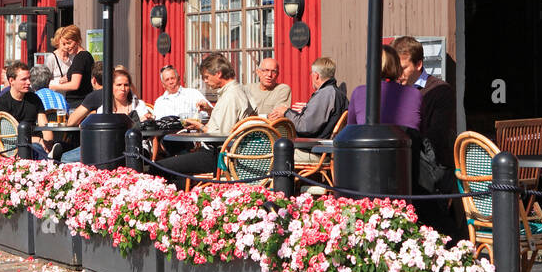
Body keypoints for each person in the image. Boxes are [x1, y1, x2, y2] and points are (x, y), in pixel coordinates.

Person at [157, 53, 256, 187]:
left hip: (218, 156)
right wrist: (210, 111)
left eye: (207, 77)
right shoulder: (240, 90)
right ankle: (185, 197)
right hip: (232, 153)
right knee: (176, 165)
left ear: (219, 74)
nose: (205, 81)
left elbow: (221, 135)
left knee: (158, 167)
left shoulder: (230, 96)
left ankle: (175, 201)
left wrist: (199, 126)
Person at [392, 36, 457, 168]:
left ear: (418, 64)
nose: (398, 73)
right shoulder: (394, 90)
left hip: (431, 168)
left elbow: (437, 136)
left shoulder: (440, 91)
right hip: (401, 162)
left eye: (403, 68)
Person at [60, 66, 148, 162]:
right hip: (107, 148)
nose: (123, 88)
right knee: (67, 158)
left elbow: (149, 132)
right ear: (111, 87)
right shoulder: (104, 108)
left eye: (126, 85)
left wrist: (146, 122)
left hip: (134, 147)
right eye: (119, 85)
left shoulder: (139, 106)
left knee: (67, 158)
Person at [279, 57, 347, 165]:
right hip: (328, 150)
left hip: (316, 152)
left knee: (277, 152)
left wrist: (286, 112)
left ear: (316, 76)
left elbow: (305, 127)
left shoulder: (325, 94)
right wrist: (303, 110)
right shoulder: (337, 94)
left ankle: (263, 182)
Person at [347, 45, 421, 130]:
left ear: (370, 66)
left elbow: (351, 130)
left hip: (371, 142)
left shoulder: (359, 93)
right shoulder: (414, 94)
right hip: (406, 142)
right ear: (397, 66)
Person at [0, 61, 53, 158]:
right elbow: (6, 136)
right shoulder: (3, 103)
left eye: (29, 78)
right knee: (37, 147)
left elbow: (44, 126)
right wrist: (37, 140)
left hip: (35, 144)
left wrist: (48, 144)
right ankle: (49, 160)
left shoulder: (34, 99)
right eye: (24, 79)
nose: (29, 82)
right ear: (11, 81)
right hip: (12, 147)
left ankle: (49, 157)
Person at [46, 24, 95, 110]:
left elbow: (74, 85)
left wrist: (53, 86)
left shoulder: (80, 58)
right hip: (79, 102)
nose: (67, 47)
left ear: (78, 41)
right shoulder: (84, 56)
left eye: (69, 43)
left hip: (77, 103)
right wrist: (67, 77)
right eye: (64, 44)